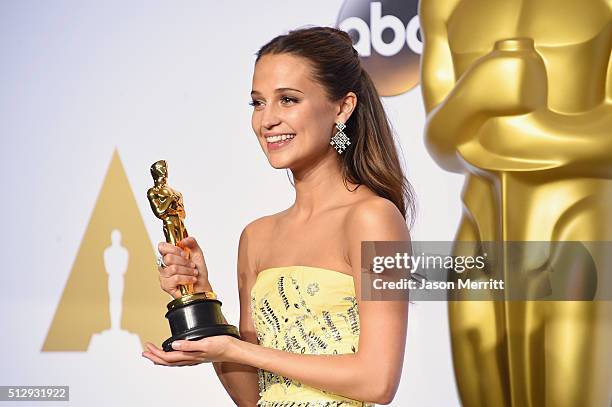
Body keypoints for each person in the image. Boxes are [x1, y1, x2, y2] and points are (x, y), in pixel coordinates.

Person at [141, 26, 415, 406]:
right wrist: (202, 297)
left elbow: (378, 382)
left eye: (288, 100)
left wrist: (236, 351)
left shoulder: (375, 219)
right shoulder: (256, 237)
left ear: (342, 107)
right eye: (257, 103)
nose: (266, 120)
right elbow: (254, 398)